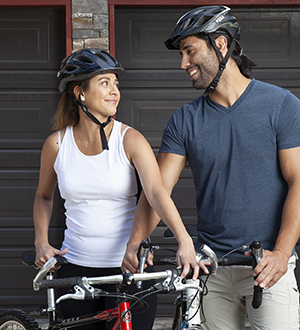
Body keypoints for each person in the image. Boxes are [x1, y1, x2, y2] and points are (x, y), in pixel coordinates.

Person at [122, 5, 300, 330]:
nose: (183, 64)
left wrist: (281, 253)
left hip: (268, 265)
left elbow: (298, 181)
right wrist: (135, 242)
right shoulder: (185, 121)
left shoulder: (281, 106)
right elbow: (157, 189)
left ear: (220, 44)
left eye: (190, 51)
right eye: (181, 55)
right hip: (210, 270)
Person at [33, 48, 203, 330]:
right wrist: (41, 241)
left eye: (116, 84)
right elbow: (43, 196)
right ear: (80, 93)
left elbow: (157, 192)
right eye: (105, 83)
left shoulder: (130, 139)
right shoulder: (57, 145)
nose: (115, 91)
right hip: (75, 270)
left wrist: (183, 239)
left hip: (128, 270)